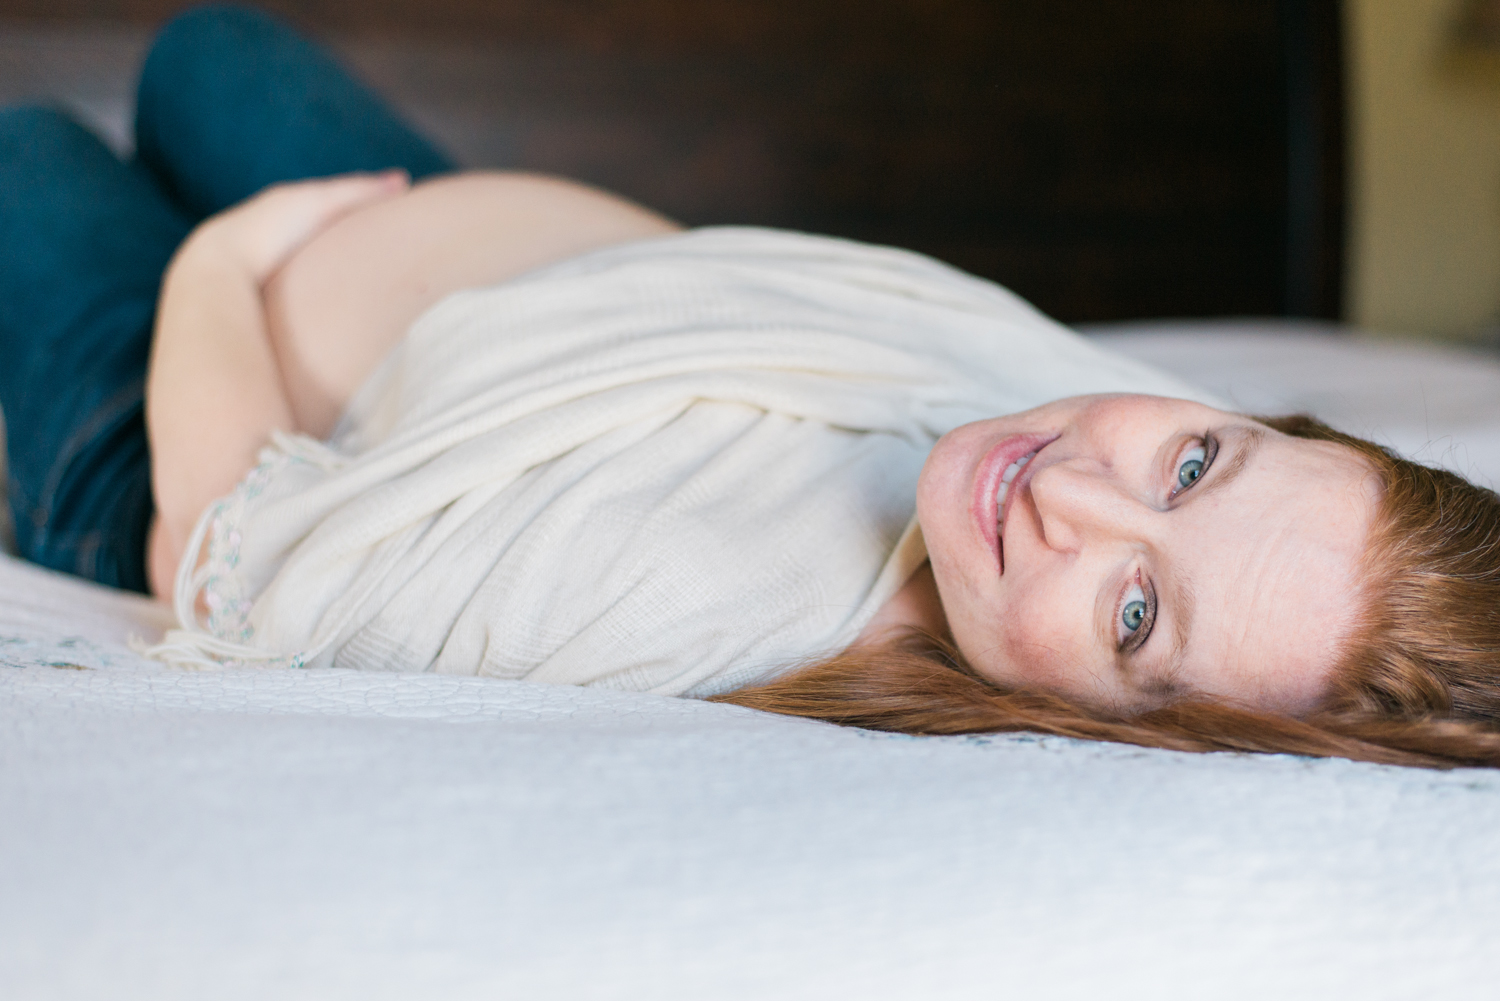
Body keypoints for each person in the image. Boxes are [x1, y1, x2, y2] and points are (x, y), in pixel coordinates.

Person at [3, 6, 1498, 769]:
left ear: (1123, 733)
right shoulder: (1064, 402)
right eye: (1193, 466)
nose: (1068, 493)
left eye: (1131, 612)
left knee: (29, 154)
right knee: (210, 53)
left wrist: (223, 265)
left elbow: (228, 557)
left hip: (201, 418)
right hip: (494, 304)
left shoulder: (713, 606)